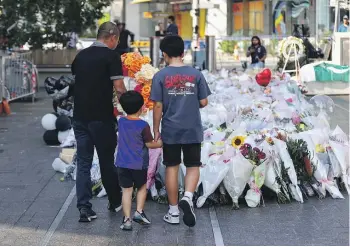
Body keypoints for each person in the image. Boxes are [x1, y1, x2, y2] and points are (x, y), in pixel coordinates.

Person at [150, 35, 211, 227]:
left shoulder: (160, 76)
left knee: (171, 167)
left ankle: (174, 211)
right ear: (183, 53)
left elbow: (157, 106)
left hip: (170, 129)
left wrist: (156, 129)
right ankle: (188, 196)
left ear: (164, 54)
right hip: (192, 128)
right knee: (193, 165)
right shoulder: (196, 74)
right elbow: (203, 102)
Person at [71, 21, 127, 222]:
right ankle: (115, 201)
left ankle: (84, 208)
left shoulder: (81, 56)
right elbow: (119, 88)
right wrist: (130, 108)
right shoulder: (111, 56)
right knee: (106, 161)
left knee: (84, 163)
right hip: (101, 119)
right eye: (117, 40)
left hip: (79, 118)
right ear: (112, 37)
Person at [116, 91, 163, 231]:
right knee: (142, 187)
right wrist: (160, 143)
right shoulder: (143, 125)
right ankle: (139, 212)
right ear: (142, 108)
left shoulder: (121, 121)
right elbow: (149, 144)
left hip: (122, 163)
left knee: (126, 191)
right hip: (138, 164)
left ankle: (127, 220)